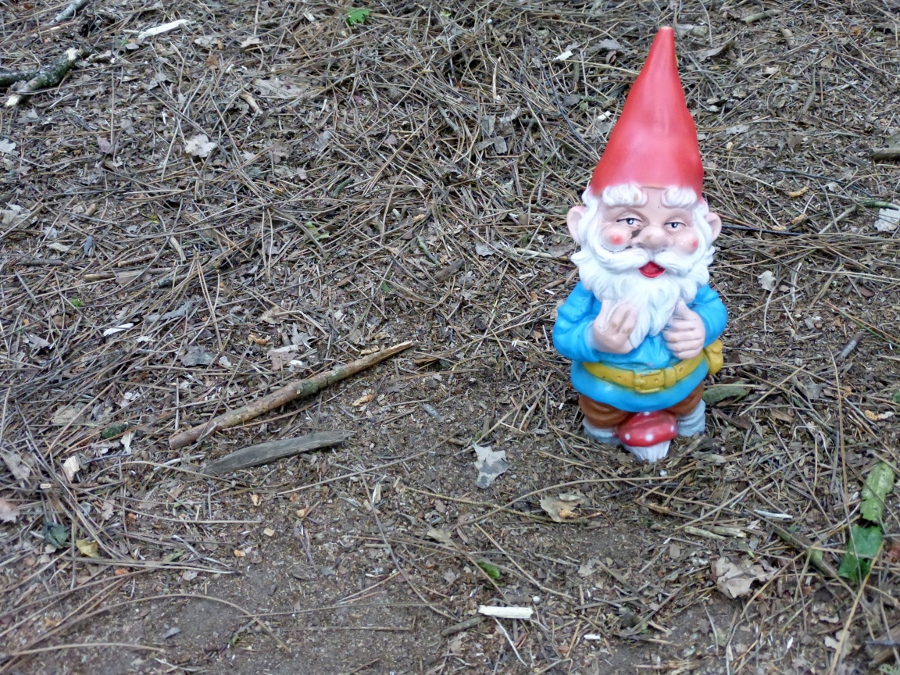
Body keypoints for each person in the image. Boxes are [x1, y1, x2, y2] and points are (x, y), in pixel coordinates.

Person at [552, 27, 727, 462]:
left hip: (682, 383)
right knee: (601, 419)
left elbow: (713, 310)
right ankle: (601, 440)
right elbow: (565, 335)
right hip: (608, 389)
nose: (651, 238)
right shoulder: (594, 290)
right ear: (583, 225)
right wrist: (594, 338)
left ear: (707, 229)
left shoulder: (686, 284)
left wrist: (703, 328)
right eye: (630, 220)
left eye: (674, 223)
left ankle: (691, 428)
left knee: (690, 409)